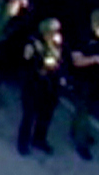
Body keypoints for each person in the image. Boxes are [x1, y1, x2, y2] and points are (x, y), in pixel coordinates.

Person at [64, 10, 99, 159]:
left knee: (84, 109)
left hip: (93, 80)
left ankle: (75, 131)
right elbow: (77, 61)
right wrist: (96, 59)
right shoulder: (81, 36)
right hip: (80, 80)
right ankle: (81, 144)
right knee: (83, 113)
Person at [16, 18, 66, 156]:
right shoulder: (33, 44)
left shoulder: (56, 43)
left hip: (49, 87)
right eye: (52, 32)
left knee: (45, 116)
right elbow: (27, 63)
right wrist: (40, 67)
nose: (55, 34)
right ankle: (23, 143)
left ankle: (39, 139)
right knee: (29, 116)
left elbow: (61, 60)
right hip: (33, 85)